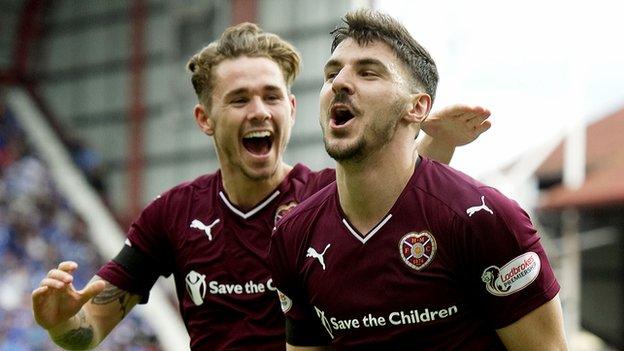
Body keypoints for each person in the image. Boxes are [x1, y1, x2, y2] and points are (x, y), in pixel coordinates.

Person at [31, 23, 491, 350]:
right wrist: (63, 323)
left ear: (291, 109)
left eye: (271, 96)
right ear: (204, 119)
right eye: (239, 99)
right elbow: (89, 328)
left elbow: (403, 202)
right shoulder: (171, 214)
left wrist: (437, 141)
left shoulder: (328, 196)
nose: (259, 111)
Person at [268, 9, 567, 351]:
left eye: (368, 72)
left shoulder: (485, 219)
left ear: (416, 108)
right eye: (332, 73)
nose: (339, 82)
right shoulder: (292, 236)